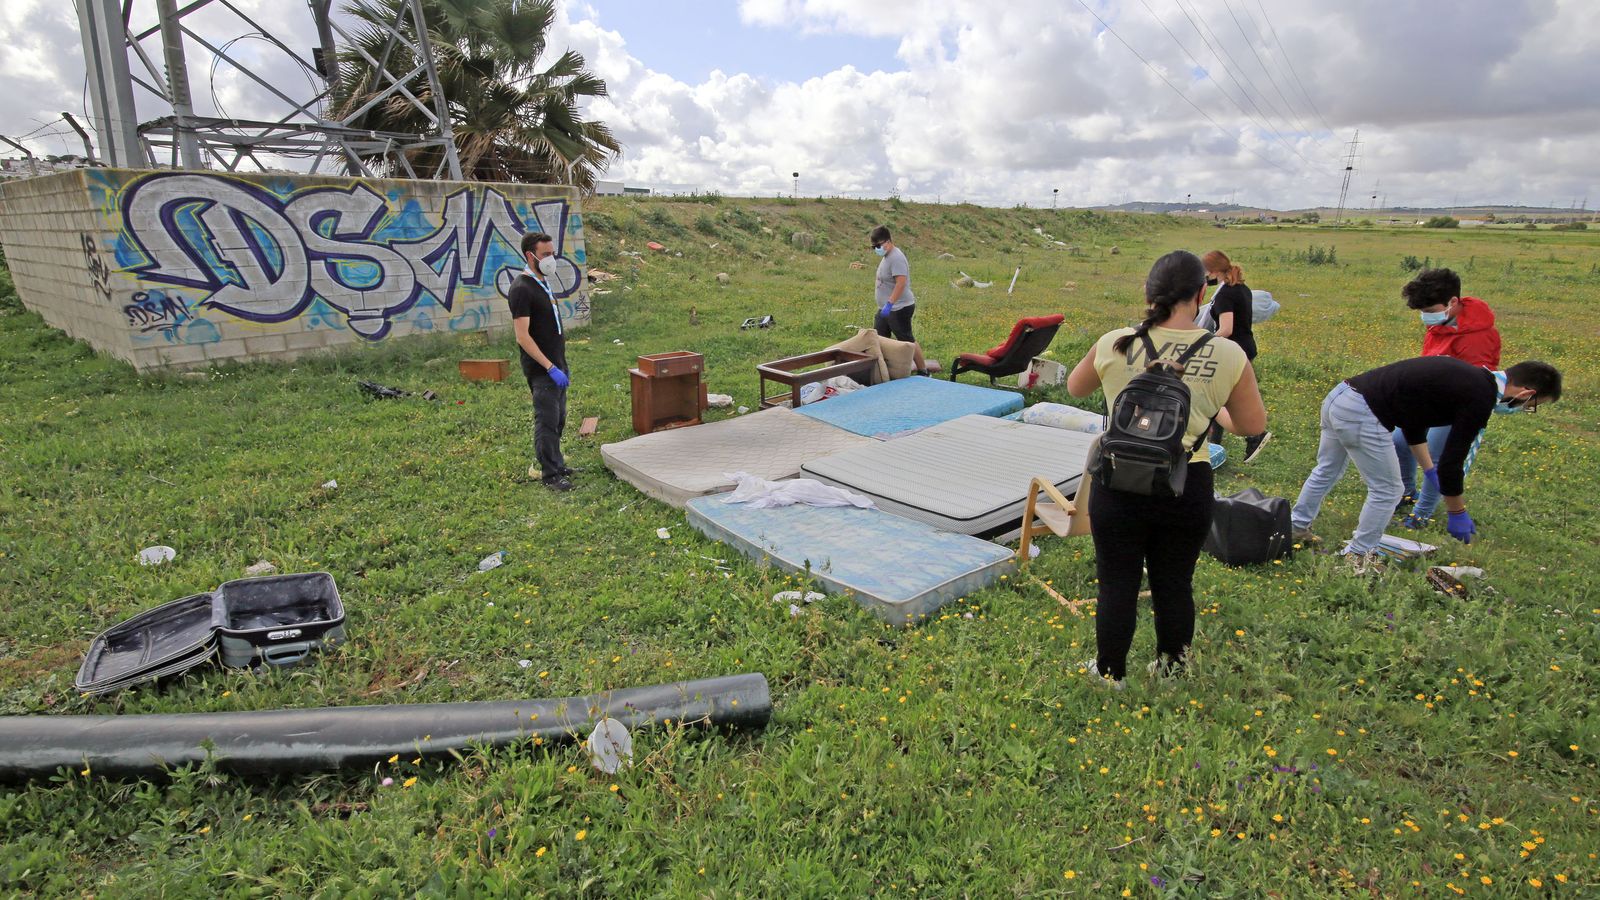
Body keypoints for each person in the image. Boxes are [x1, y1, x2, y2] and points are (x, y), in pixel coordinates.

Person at [1066, 250, 1266, 687]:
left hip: (1118, 480)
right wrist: (1210, 409)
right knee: (1175, 581)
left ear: (1148, 293)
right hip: (1186, 483)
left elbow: (1076, 386)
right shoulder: (1228, 354)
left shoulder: (1114, 341)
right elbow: (1253, 425)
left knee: (1115, 581)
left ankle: (1109, 673)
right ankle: (1172, 670)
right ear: (1201, 293)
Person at [1291, 357, 1561, 572]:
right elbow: (1453, 462)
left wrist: (1428, 469)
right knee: (1388, 490)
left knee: (1327, 469)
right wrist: (1457, 512)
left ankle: (1296, 526)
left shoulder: (1470, 378)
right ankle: (1357, 555)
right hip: (1362, 411)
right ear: (1526, 393)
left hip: (1341, 397)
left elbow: (1414, 421)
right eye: (1533, 404)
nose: (1526, 409)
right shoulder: (1480, 396)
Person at [1391, 268, 1502, 524]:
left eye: (1430, 311)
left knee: (1437, 457)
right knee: (1399, 440)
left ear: (1453, 302)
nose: (1426, 317)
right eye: (1423, 312)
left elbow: (1475, 383)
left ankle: (1422, 514)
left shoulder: (1478, 336)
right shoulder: (1440, 324)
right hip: (1429, 399)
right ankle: (1407, 493)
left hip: (1457, 405)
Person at [509, 231, 574, 492]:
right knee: (546, 421)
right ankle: (550, 475)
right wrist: (549, 367)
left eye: (552, 253)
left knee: (559, 419)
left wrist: (559, 364)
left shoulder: (542, 283)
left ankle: (558, 464)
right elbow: (522, 336)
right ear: (530, 255)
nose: (551, 259)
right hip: (542, 369)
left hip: (557, 364)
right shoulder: (522, 288)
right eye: (546, 254)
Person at [1201, 250, 1271, 463]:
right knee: (1225, 396)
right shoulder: (1241, 288)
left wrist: (1203, 341)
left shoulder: (1224, 295)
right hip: (1245, 347)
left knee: (1215, 396)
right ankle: (1220, 442)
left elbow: (1226, 328)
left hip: (1232, 351)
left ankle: (1252, 435)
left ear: (1213, 271)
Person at [869, 225, 916, 343]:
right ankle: (883, 362)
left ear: (888, 241)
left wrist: (890, 304)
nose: (876, 249)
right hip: (885, 308)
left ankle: (920, 363)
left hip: (898, 307)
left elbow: (901, 283)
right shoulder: (887, 256)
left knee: (907, 342)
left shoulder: (896, 257)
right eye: (874, 247)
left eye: (878, 246)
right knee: (878, 339)